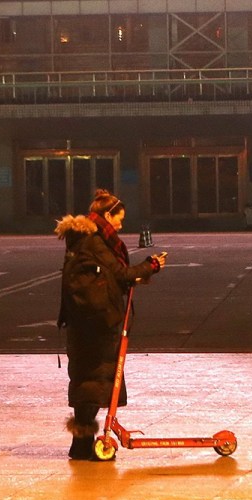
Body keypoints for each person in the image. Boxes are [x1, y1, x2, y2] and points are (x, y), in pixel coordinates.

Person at [54, 189, 166, 460]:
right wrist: (151, 266)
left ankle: (81, 443)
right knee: (94, 379)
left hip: (85, 321)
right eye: (119, 218)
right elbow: (121, 274)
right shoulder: (95, 240)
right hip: (98, 322)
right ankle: (83, 444)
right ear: (107, 215)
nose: (120, 225)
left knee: (87, 379)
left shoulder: (83, 238)